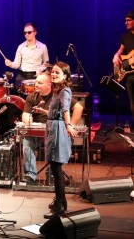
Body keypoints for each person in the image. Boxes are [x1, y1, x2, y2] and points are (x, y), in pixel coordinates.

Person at [21, 72, 83, 184]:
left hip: (57, 132)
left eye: (39, 83)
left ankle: (53, 173)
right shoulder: (32, 96)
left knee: (63, 141)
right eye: (36, 82)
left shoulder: (59, 95)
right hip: (39, 134)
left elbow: (78, 108)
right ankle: (30, 175)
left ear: (49, 85)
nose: (36, 85)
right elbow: (25, 114)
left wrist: (70, 126)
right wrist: (27, 120)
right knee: (27, 140)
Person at [43, 61, 78, 218]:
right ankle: (61, 204)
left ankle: (60, 205)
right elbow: (56, 112)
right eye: (53, 72)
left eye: (57, 72)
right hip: (52, 129)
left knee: (56, 169)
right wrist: (45, 112)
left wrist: (69, 124)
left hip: (57, 131)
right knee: (55, 169)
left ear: (65, 75)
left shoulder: (65, 91)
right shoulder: (57, 91)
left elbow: (65, 109)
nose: (54, 74)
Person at [5, 22, 49, 92]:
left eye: (29, 32)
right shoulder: (20, 47)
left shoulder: (43, 47)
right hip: (22, 76)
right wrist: (10, 64)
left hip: (35, 76)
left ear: (35, 33)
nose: (26, 35)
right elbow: (16, 65)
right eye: (25, 33)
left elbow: (46, 63)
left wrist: (40, 68)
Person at [113, 10, 134, 122]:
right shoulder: (125, 36)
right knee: (132, 102)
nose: (126, 23)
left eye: (129, 20)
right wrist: (116, 56)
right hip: (130, 74)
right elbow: (120, 51)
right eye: (125, 20)